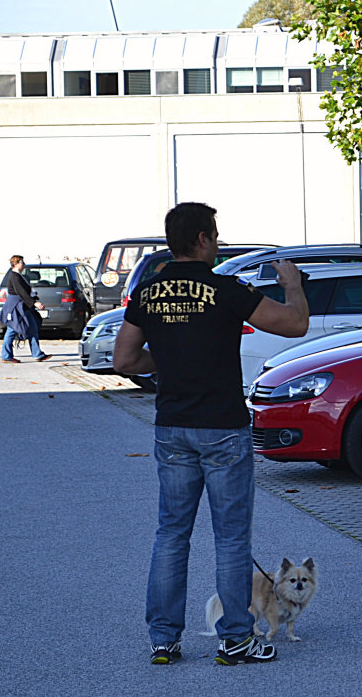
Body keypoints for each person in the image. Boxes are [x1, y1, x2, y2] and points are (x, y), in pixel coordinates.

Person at [114, 202, 308, 666]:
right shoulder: (226, 290)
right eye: (215, 235)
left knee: (171, 534)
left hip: (172, 429)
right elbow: (294, 324)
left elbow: (123, 361)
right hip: (223, 429)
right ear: (201, 239)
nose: (218, 243)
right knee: (231, 539)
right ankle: (235, 640)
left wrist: (167, 361)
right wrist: (293, 286)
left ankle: (164, 640)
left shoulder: (148, 292)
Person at [1, 255, 51, 363]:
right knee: (12, 330)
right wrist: (34, 303)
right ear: (16, 264)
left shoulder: (18, 276)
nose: (24, 264)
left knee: (33, 328)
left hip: (24, 307)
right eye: (22, 262)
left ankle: (37, 354)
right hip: (16, 308)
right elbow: (21, 292)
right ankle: (6, 356)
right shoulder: (14, 276)